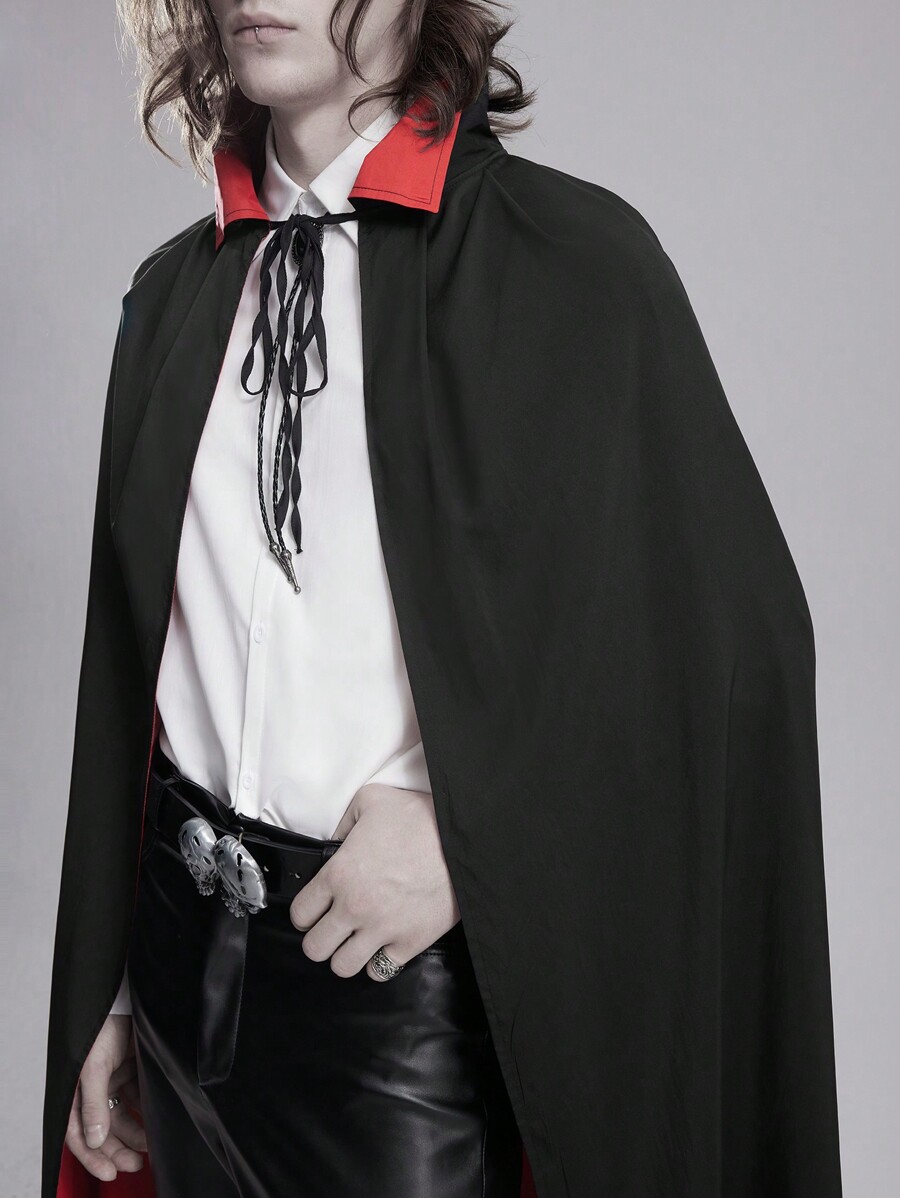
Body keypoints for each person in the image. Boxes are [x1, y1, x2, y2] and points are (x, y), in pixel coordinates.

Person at [43, 2, 845, 1197]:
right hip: (174, 980)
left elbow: (724, 663)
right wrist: (108, 983)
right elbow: (134, 686)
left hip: (395, 1018)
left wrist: (470, 833)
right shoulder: (172, 297)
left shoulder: (573, 267)